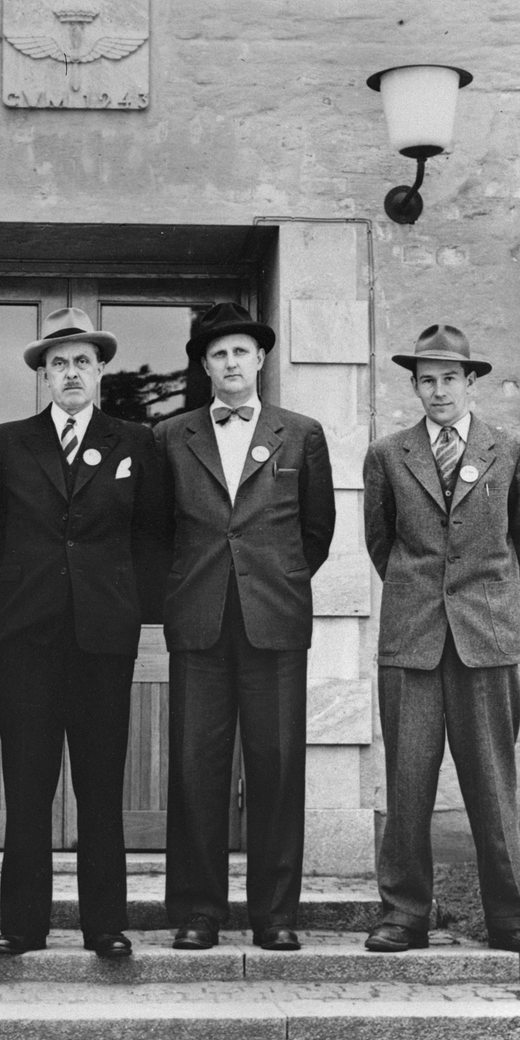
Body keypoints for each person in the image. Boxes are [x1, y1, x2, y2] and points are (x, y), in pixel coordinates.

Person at [0, 307, 167, 958]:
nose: (71, 373)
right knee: (27, 786)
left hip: (102, 643)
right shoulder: (8, 441)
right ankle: (22, 923)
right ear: (43, 374)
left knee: (100, 784)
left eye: (82, 361)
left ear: (101, 369)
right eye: (58, 363)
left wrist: (120, 604)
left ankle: (105, 923)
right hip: (26, 641)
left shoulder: (134, 442)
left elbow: (154, 538)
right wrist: (27, 590)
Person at [362, 323, 520, 958]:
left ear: (471, 382)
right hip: (412, 638)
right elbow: (381, 542)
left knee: (493, 784)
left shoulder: (513, 448)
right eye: (426, 380)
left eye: (449, 378)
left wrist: (491, 602)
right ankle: (403, 915)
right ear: (413, 386)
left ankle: (510, 919)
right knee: (408, 782)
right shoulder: (390, 454)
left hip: (485, 640)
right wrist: (423, 595)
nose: (437, 390)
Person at [154, 302, 336, 952]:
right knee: (196, 769)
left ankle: (275, 914)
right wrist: (178, 594)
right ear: (203, 366)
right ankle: (198, 911)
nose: (230, 364)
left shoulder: (301, 434)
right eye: (217, 354)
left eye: (241, 352)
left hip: (275, 623)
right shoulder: (172, 436)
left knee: (277, 767)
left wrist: (275, 582)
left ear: (259, 359)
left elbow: (315, 532)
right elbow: (154, 534)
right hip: (198, 623)